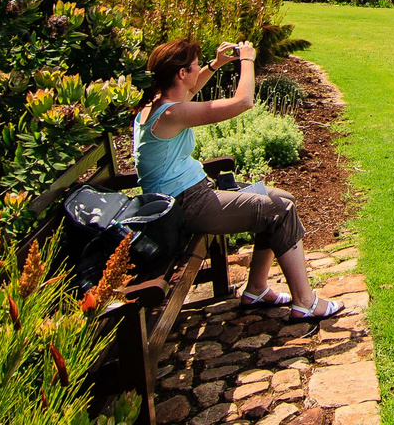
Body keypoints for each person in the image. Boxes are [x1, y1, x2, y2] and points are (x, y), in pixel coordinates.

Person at [133, 37, 343, 320]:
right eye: (194, 66)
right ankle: (305, 302)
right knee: (280, 210)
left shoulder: (158, 105)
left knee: (283, 198)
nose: (197, 71)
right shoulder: (172, 113)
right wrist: (247, 59)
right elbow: (243, 102)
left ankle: (256, 289)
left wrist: (214, 64)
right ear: (181, 73)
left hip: (190, 195)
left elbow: (191, 89)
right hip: (187, 205)